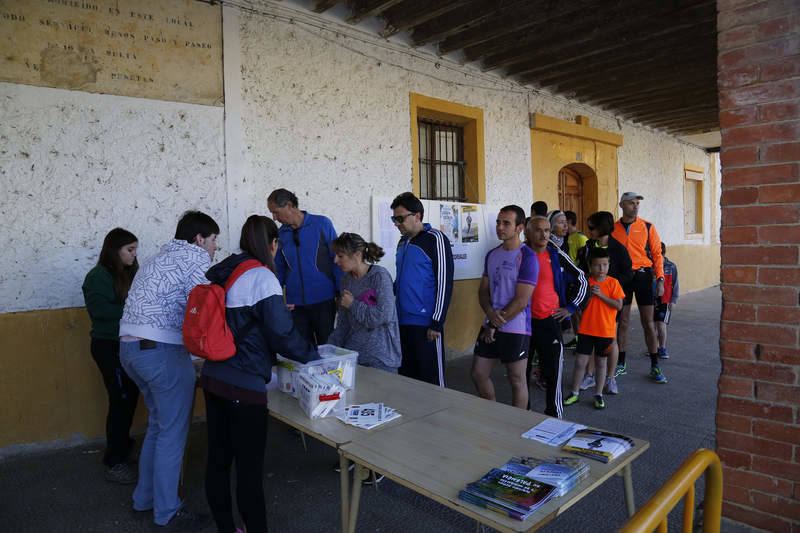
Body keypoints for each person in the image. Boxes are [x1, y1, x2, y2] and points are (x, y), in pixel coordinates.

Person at [201, 215, 319, 533]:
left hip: (213, 376)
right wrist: (313, 355)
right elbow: (281, 335)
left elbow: (241, 320)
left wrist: (274, 313)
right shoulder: (262, 277)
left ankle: (227, 527)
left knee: (218, 461)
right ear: (273, 244)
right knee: (250, 472)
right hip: (243, 386)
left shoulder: (225, 272)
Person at [119, 210, 219, 529]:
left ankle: (144, 499)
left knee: (159, 427)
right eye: (214, 240)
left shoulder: (156, 258)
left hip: (130, 350)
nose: (216, 247)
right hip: (161, 352)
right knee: (172, 435)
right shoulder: (195, 259)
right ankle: (167, 512)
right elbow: (210, 308)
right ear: (199, 238)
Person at [82, 228, 140, 485]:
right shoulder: (97, 277)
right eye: (129, 250)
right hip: (108, 346)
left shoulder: (128, 274)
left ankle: (123, 447)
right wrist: (134, 310)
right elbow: (100, 310)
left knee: (129, 398)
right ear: (114, 250)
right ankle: (114, 461)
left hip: (128, 344)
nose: (134, 255)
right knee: (121, 399)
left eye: (134, 249)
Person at [471, 205, 539, 409]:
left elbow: (521, 300)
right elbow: (483, 290)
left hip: (516, 327)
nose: (500, 227)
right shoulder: (492, 254)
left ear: (519, 227)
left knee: (516, 379)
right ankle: (494, 413)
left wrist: (494, 323)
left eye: (506, 223)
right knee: (478, 374)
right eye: (498, 222)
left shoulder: (528, 257)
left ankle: (516, 425)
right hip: (491, 321)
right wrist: (490, 314)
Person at [524, 216, 588, 418]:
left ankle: (554, 414)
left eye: (547, 230)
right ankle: (522, 414)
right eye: (538, 230)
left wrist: (570, 307)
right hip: (522, 323)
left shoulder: (556, 254)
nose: (543, 235)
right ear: (527, 232)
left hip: (549, 321)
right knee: (521, 372)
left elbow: (581, 279)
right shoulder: (519, 254)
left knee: (552, 370)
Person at [391, 192, 454, 386]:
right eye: (394, 219)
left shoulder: (435, 239)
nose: (396, 223)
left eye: (400, 218)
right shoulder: (402, 242)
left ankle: (438, 417)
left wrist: (437, 322)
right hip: (402, 321)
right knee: (408, 381)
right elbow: (400, 282)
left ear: (417, 215)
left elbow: (445, 281)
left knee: (432, 382)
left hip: (426, 325)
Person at [267, 188, 342, 346]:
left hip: (323, 299)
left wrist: (340, 293)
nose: (274, 218)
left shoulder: (321, 224)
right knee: (302, 349)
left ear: (289, 205)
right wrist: (275, 299)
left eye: (276, 212)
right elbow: (279, 269)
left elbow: (337, 259)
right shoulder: (281, 234)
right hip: (295, 304)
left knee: (327, 347)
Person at [575, 211, 634, 395]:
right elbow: (585, 268)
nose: (589, 230)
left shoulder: (618, 248)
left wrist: (610, 284)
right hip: (593, 300)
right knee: (592, 336)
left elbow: (628, 273)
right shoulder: (589, 245)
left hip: (611, 298)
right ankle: (590, 375)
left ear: (601, 227)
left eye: (592, 227)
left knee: (611, 338)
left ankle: (610, 378)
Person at [611, 192, 668, 384]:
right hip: (623, 278)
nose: (635, 207)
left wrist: (660, 279)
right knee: (624, 322)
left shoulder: (647, 226)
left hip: (643, 276)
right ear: (622, 205)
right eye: (631, 203)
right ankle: (621, 363)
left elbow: (657, 253)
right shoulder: (613, 228)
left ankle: (654, 364)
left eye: (637, 204)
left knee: (648, 323)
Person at [327, 233, 402, 373]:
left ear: (356, 255)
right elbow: (343, 324)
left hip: (381, 359)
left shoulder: (379, 276)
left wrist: (353, 304)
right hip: (354, 358)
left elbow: (383, 316)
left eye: (340, 256)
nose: (335, 260)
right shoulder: (345, 281)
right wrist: (328, 350)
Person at [564, 247, 625, 410]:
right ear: (591, 266)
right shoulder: (585, 283)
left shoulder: (613, 283)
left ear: (608, 265)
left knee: (601, 363)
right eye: (597, 265)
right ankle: (574, 393)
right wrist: (589, 295)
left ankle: (598, 394)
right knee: (579, 362)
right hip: (586, 330)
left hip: (605, 332)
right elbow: (579, 306)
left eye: (604, 265)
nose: (601, 269)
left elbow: (619, 305)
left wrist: (601, 295)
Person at [655, 242, 679, 359]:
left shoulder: (671, 266)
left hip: (665, 300)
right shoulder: (650, 266)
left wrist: (673, 300)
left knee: (661, 324)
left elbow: (675, 284)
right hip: (652, 301)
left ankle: (662, 347)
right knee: (653, 326)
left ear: (663, 253)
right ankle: (654, 348)